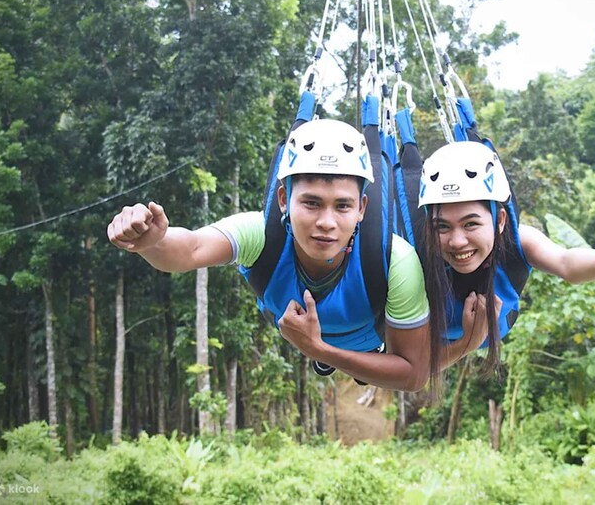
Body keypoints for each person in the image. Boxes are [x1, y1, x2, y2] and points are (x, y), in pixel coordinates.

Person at [107, 119, 437, 392]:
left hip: (369, 340)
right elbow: (190, 248)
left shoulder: (395, 260)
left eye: (343, 206)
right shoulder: (264, 235)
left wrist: (320, 350)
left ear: (362, 208)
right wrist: (153, 241)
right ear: (283, 199)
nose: (326, 222)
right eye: (311, 203)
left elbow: (414, 374)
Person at [418, 141, 595, 373]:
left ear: (500, 221)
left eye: (471, 224)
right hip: (435, 344)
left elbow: (565, 263)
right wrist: (470, 341)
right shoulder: (416, 260)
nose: (457, 241)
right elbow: (413, 369)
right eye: (442, 227)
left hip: (496, 325)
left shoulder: (518, 243)